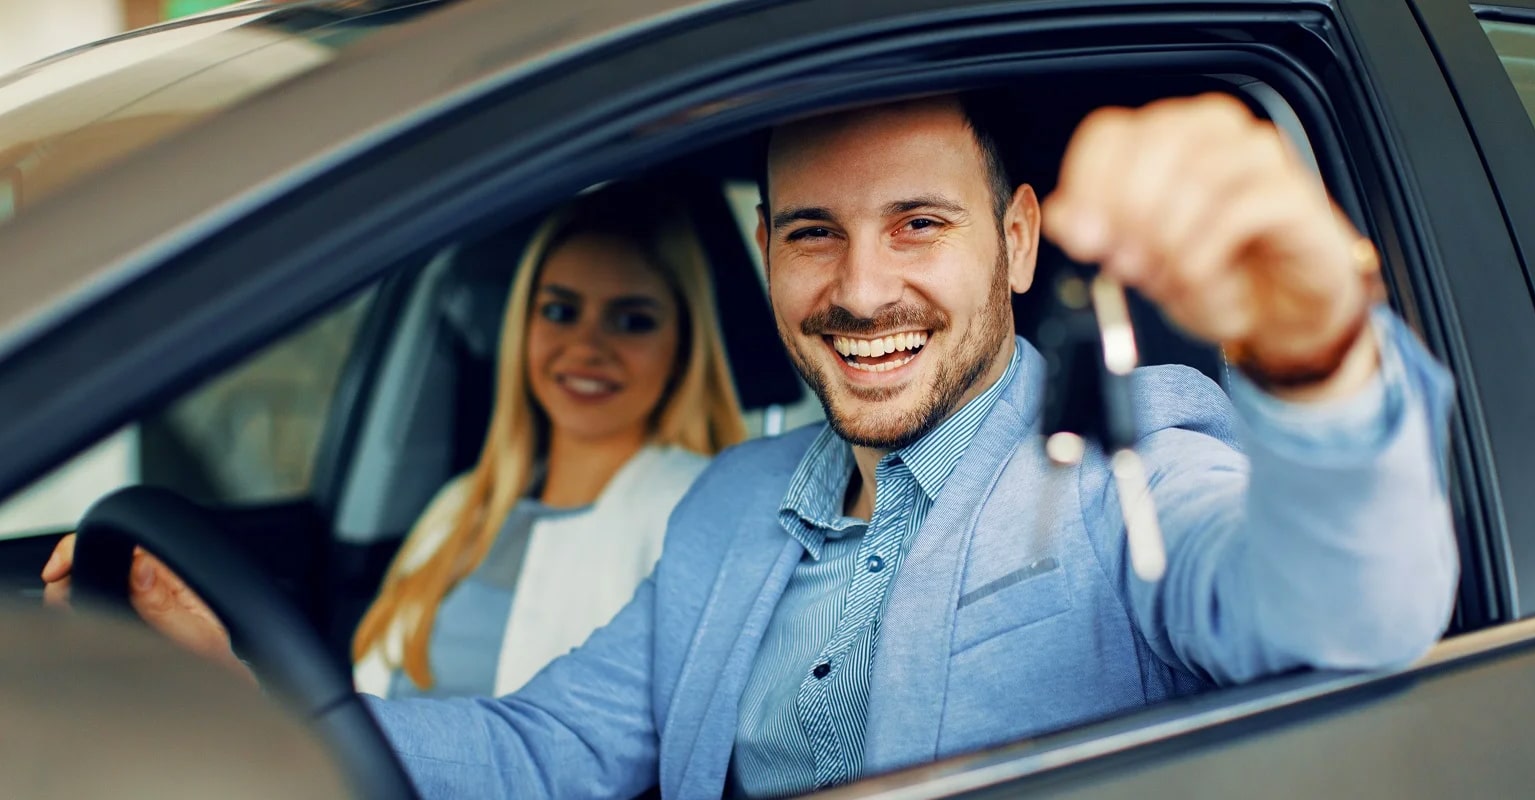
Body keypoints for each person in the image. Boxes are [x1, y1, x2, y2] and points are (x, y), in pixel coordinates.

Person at [55, 93, 1460, 799]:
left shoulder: (1134, 455)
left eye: (919, 225)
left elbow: (1350, 608)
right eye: (811, 235)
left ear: (1019, 239)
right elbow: (546, 750)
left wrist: (1315, 359)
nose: (859, 289)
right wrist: (242, 699)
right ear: (768, 252)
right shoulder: (728, 507)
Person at [41, 179, 748, 699]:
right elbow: (363, 717)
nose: (586, 347)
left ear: (685, 345)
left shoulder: (693, 510)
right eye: (560, 311)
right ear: (521, 327)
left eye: (631, 320)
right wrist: (210, 660)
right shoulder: (460, 506)